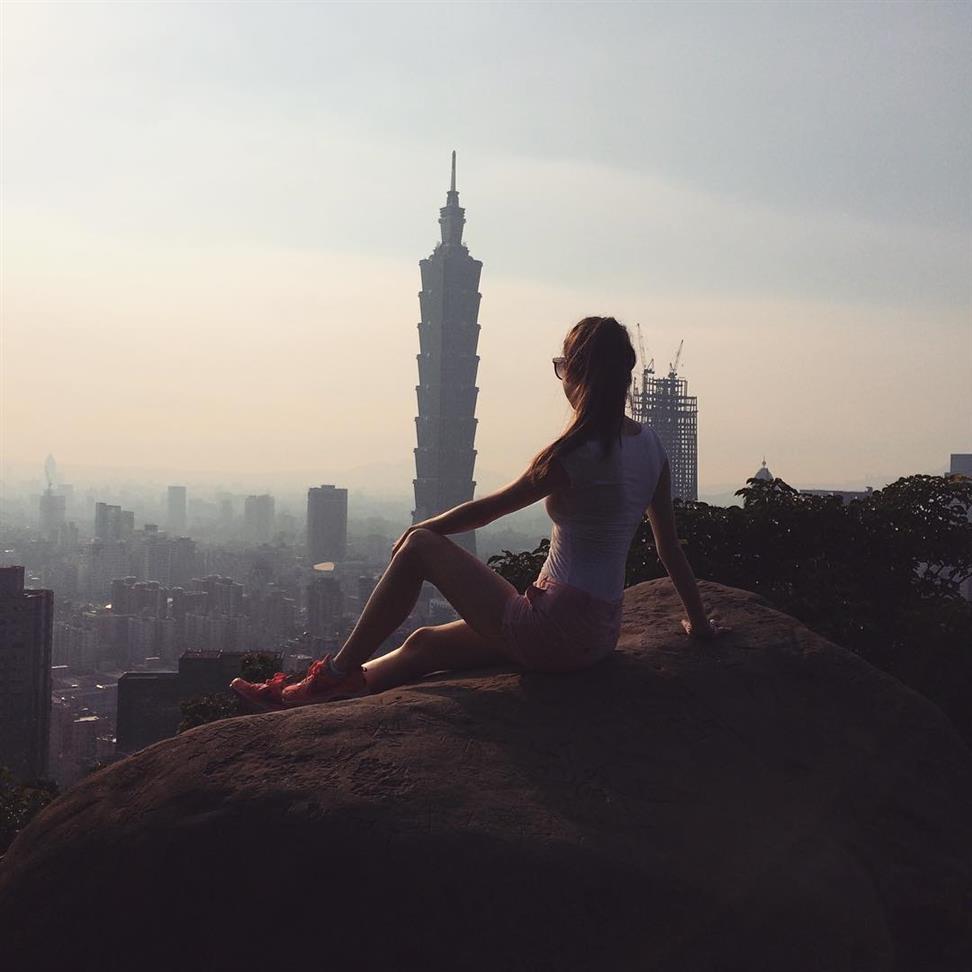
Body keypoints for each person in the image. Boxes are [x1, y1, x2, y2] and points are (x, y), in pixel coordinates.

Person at [230, 316, 729, 711]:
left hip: (552, 630)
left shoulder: (573, 453)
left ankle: (332, 675)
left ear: (577, 372)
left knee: (423, 547)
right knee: (426, 644)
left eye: (562, 366)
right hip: (597, 635)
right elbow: (670, 548)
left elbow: (488, 511)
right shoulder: (652, 448)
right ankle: (330, 693)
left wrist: (422, 530)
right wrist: (700, 625)